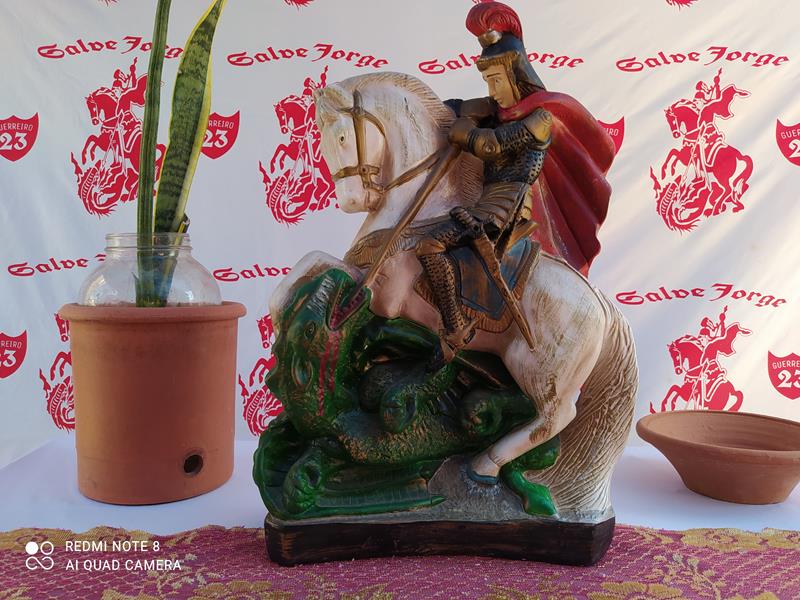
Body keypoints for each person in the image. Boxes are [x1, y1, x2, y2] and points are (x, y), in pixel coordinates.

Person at [415, 0, 552, 358]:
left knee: (430, 245)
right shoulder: (496, 110)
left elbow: (492, 146)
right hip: (482, 202)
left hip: (504, 211)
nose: (492, 90)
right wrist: (438, 111)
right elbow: (454, 108)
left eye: (497, 80)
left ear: (516, 75)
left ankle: (456, 326)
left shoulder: (539, 119)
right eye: (487, 81)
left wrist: (465, 132)